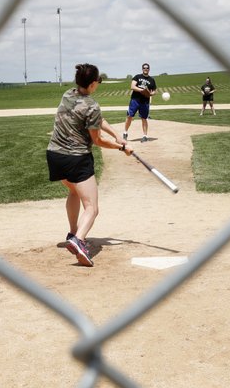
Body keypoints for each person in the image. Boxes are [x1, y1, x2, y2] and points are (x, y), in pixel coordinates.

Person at [47, 63, 133, 267]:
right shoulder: (92, 105)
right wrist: (122, 148)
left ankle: (72, 233)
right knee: (92, 207)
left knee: (75, 192)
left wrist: (117, 135)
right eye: (98, 82)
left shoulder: (68, 94)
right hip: (77, 159)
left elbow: (97, 119)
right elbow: (97, 140)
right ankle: (79, 239)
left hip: (55, 156)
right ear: (93, 84)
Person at [123, 62, 157, 142]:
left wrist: (151, 93)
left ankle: (145, 136)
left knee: (144, 118)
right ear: (142, 69)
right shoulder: (137, 77)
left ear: (149, 69)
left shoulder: (151, 80)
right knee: (129, 116)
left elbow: (155, 90)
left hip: (145, 102)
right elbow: (132, 86)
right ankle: (125, 133)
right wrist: (142, 90)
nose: (146, 69)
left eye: (147, 68)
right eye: (144, 68)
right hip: (135, 100)